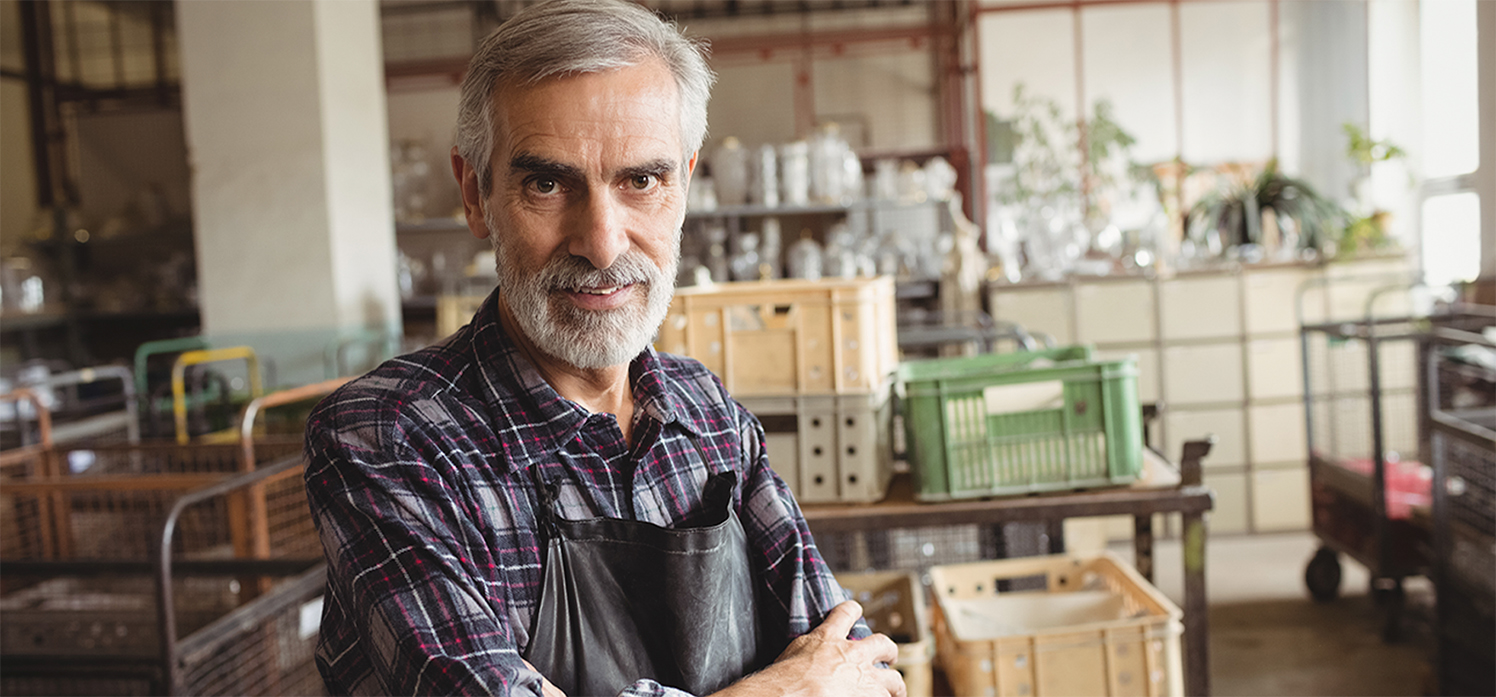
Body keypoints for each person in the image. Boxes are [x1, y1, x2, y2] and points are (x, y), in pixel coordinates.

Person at [303, 1, 906, 695]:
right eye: (548, 183)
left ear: (683, 184)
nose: (602, 242)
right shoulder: (389, 439)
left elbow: (854, 663)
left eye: (641, 180)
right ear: (476, 192)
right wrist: (784, 687)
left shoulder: (706, 416)